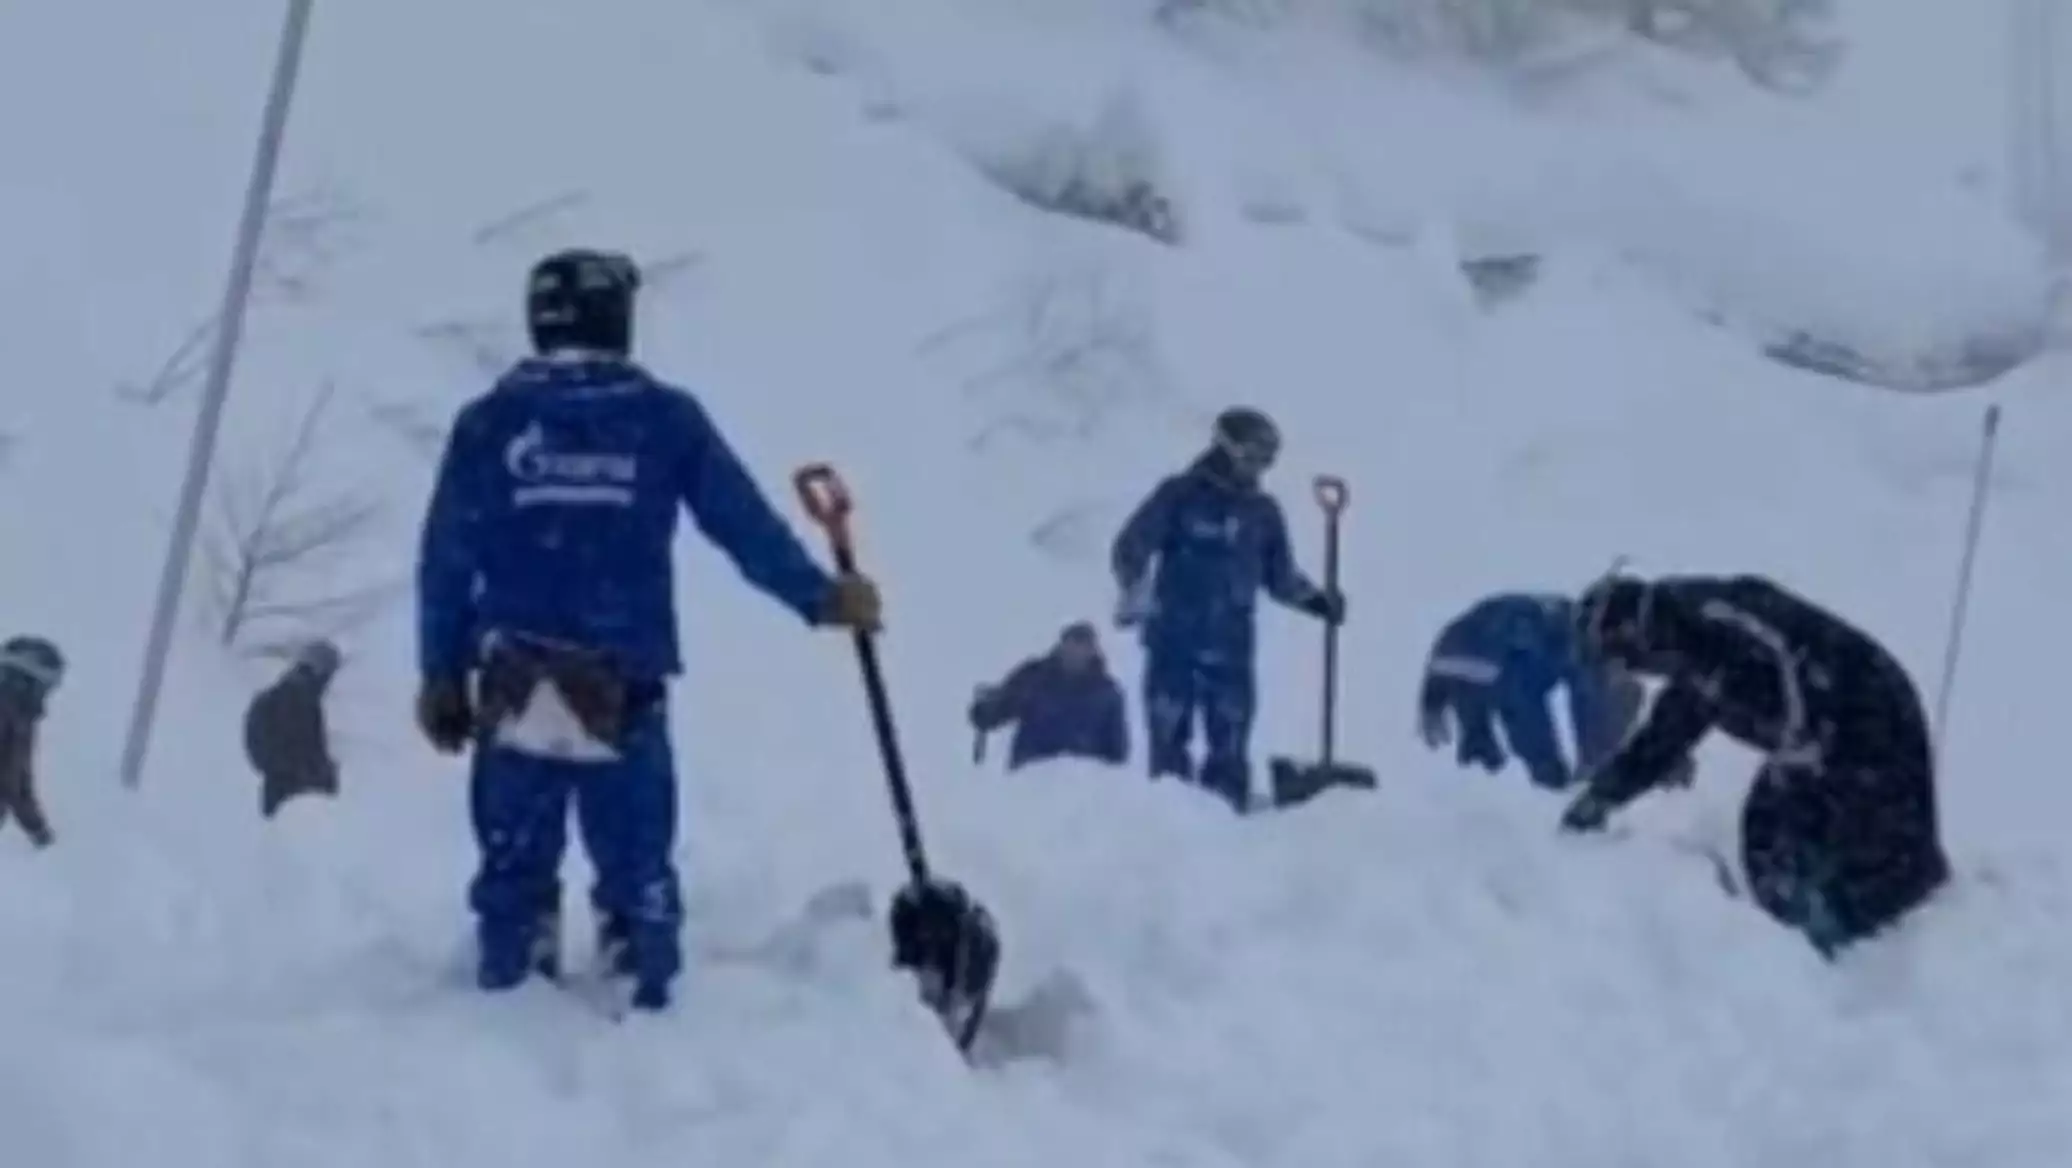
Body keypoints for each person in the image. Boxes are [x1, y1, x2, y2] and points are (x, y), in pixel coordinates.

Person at [415, 247, 930, 1012]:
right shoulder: (662, 420)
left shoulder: (491, 424)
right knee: (636, 874)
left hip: (514, 685)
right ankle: (639, 1006)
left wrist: (441, 670)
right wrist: (820, 597)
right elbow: (741, 525)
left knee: (513, 876)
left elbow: (448, 555)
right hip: (622, 687)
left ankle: (510, 1003)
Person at [1558, 570, 1951, 958]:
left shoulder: (1717, 613)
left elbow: (1791, 650)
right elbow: (1661, 741)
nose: (1629, 671)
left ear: (1634, 631)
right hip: (1818, 746)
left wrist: (1806, 743)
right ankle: (1809, 956)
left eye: (1621, 656)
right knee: (1768, 838)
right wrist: (1602, 796)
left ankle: (1898, 952)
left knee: (1869, 841)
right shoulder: (1694, 666)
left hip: (1870, 711)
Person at [1109, 407, 1344, 812]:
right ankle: (1167, 824)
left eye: (1268, 459)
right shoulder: (1179, 495)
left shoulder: (1263, 513)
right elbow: (1131, 545)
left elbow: (1280, 577)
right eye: (1253, 455)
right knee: (1169, 737)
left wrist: (1317, 601)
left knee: (1231, 742)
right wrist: (1135, 586)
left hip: (1231, 647)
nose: (1259, 467)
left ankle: (1227, 821)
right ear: (1226, 447)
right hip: (1174, 641)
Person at [1418, 592, 1692, 791]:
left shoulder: (1573, 625)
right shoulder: (1572, 647)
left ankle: (1472, 802)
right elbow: (1530, 710)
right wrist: (1554, 774)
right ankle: (1483, 800)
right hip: (1484, 655)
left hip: (1455, 653)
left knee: (1480, 750)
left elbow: (1587, 715)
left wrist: (1433, 687)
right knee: (1512, 724)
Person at [968, 622, 1128, 771]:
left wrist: (1104, 780)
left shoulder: (1107, 693)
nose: (1076, 652)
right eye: (1072, 644)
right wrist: (985, 711)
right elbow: (1002, 706)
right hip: (1031, 773)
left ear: (1093, 651)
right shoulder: (1034, 676)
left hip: (1082, 783)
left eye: (1084, 646)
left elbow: (1117, 751)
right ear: (1062, 646)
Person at [244, 640, 342, 819]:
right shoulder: (300, 698)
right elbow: (305, 749)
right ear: (320, 670)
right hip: (298, 802)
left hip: (276, 794)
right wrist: (323, 775)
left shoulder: (278, 694)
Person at [0, 635, 60, 850]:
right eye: (43, 687)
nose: (44, 695)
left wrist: (39, 832)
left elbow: (19, 782)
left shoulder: (21, 721)